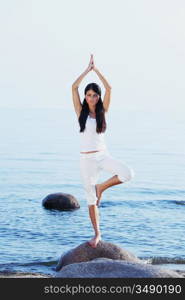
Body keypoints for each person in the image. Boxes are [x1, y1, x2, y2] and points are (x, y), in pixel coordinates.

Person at [72, 54, 135, 248]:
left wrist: (97, 70)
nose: (92, 98)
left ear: (98, 97)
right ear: (85, 96)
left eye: (94, 95)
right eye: (89, 95)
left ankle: (102, 187)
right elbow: (73, 87)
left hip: (102, 155)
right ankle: (97, 234)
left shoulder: (102, 111)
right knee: (91, 200)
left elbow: (109, 88)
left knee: (127, 173)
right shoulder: (80, 112)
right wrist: (86, 70)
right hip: (86, 161)